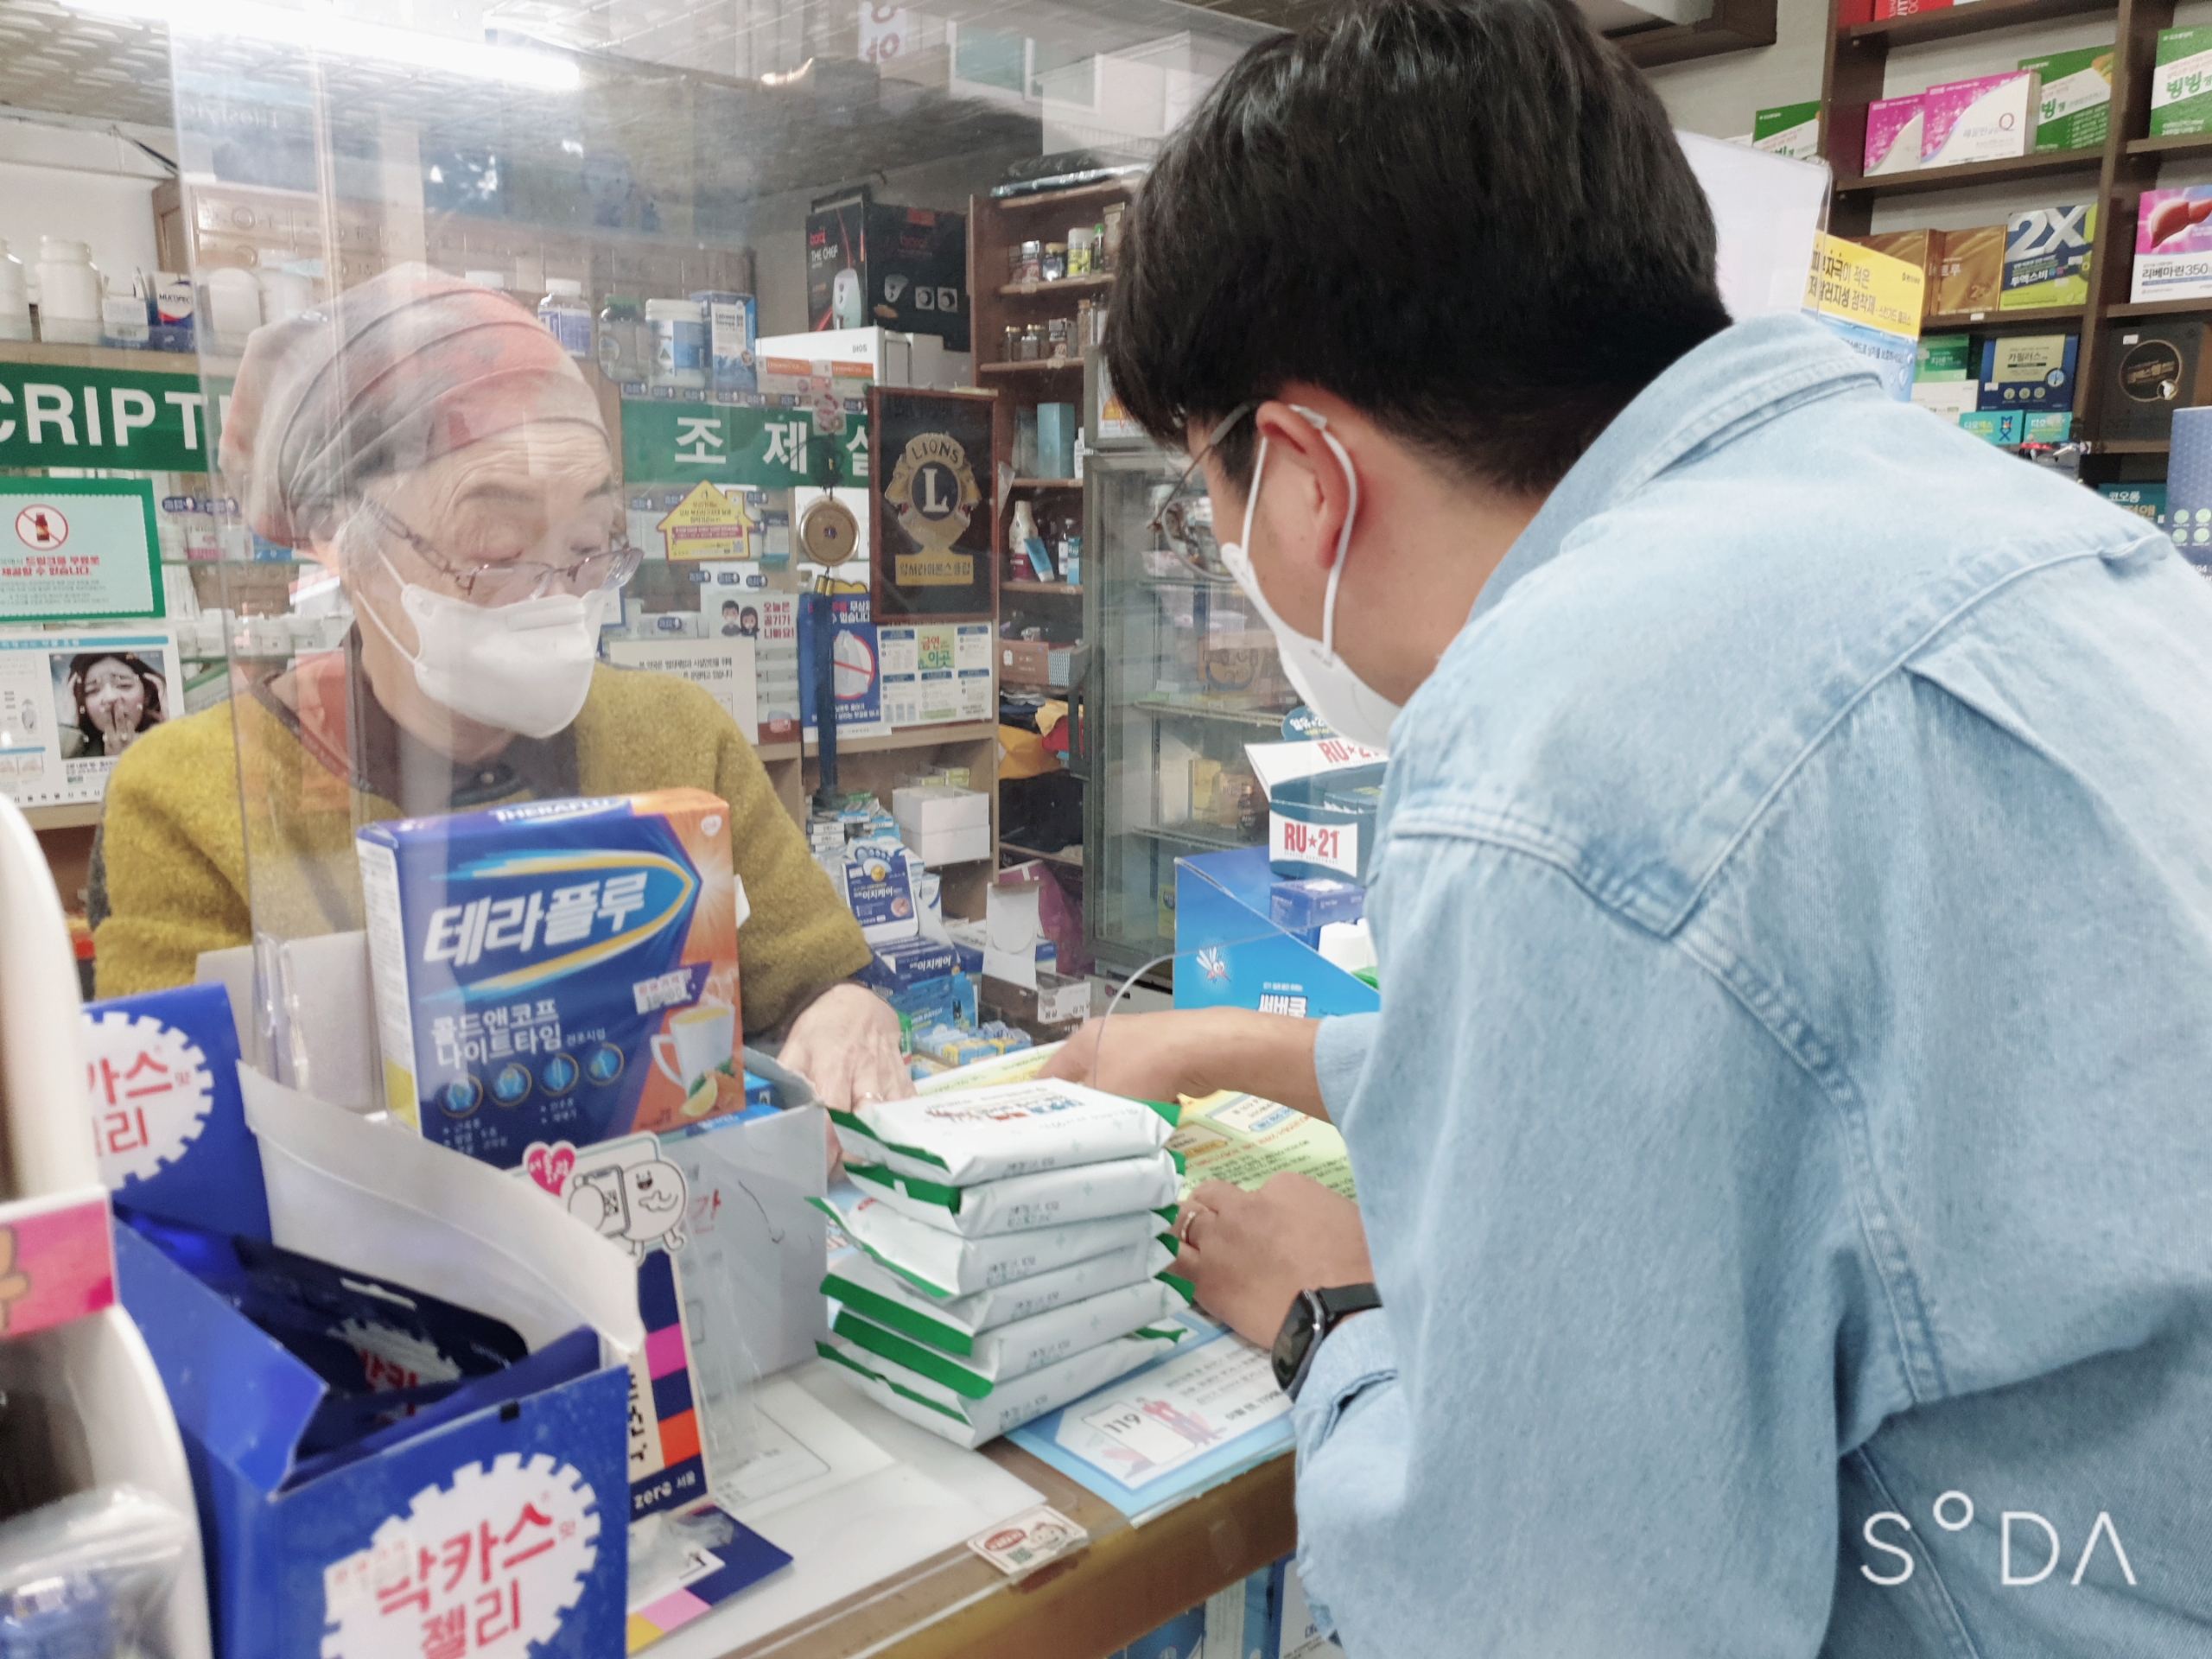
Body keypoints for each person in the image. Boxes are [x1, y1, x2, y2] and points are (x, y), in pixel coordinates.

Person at [1046, 2, 2212, 1652]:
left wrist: (1333, 1319)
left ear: (1303, 471)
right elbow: (1801, 1061)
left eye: (1206, 498)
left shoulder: (1557, 744)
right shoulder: (1994, 520)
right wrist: (1242, 1048)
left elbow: (1540, 1611)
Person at [92, 264, 909, 1113]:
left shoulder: (675, 736)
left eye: (589, 543)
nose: (556, 594)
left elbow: (818, 980)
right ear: (342, 539)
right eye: (495, 549)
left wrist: (847, 1011)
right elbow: (173, 1127)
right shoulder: (193, 794)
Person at [61, 651, 164, 759]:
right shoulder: (73, 752)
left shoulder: (166, 740)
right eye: (93, 690)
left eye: (124, 685)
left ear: (147, 694)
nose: (110, 698)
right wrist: (68, 725)